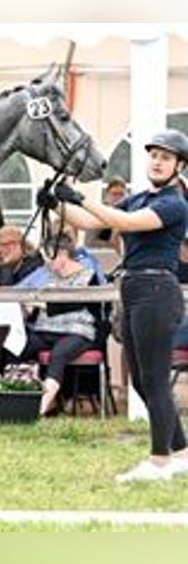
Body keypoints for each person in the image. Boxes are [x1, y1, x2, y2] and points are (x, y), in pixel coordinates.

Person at [43, 128, 188, 482]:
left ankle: (158, 462)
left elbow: (122, 223)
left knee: (153, 380)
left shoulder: (174, 203)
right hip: (135, 288)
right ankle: (182, 452)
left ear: (179, 166)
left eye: (165, 157)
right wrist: (56, 202)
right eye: (153, 155)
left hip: (157, 289)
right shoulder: (139, 197)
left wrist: (78, 195)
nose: (156, 161)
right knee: (141, 381)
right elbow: (93, 221)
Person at [18, 234, 101, 417]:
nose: (46, 262)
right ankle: (16, 396)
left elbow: (74, 303)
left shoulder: (89, 277)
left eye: (49, 256)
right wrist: (30, 308)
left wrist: (42, 304)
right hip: (45, 329)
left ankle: (39, 408)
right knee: (18, 347)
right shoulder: (49, 278)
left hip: (78, 331)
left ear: (63, 254)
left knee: (59, 355)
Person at [84, 176, 129, 252]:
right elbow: (89, 243)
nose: (118, 198)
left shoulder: (130, 213)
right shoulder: (99, 213)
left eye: (121, 194)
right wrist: (112, 243)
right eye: (114, 194)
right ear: (107, 196)